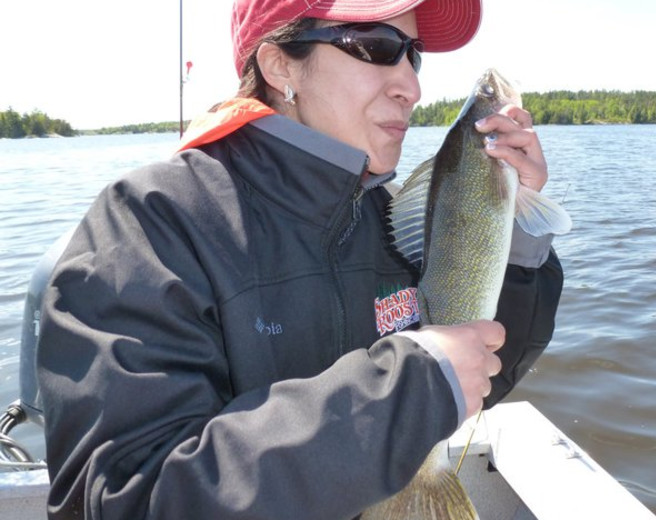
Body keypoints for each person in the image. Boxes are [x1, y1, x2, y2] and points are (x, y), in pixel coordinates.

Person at [36, 0, 564, 518]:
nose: (412, 86)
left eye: (413, 55)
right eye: (377, 46)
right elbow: (126, 497)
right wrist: (406, 389)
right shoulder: (148, 225)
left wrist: (514, 236)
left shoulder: (385, 216)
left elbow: (480, 372)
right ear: (279, 65)